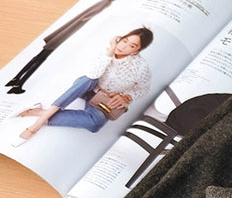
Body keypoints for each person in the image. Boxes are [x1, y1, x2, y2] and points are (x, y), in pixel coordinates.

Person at [15, 27, 153, 140]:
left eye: (132, 46)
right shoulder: (106, 51)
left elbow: (144, 88)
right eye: (124, 41)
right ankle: (38, 123)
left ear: (138, 50)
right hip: (86, 88)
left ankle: (40, 112)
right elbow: (92, 75)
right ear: (120, 38)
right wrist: (111, 51)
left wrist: (127, 97)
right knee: (89, 79)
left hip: (102, 100)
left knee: (95, 124)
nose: (123, 47)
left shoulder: (140, 67)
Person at [5, 0, 129, 94]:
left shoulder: (105, 0)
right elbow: (87, 16)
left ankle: (15, 79)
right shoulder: (106, 2)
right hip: (71, 29)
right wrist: (87, 22)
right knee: (42, 57)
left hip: (70, 27)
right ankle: (18, 84)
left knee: (39, 56)